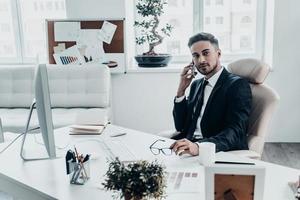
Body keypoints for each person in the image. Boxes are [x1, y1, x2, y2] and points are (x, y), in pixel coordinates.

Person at [170, 32, 252, 156]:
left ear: (218, 54)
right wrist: (181, 90)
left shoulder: (237, 85)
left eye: (206, 53)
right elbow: (180, 126)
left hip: (215, 150)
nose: (201, 60)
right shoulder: (196, 85)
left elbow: (236, 131)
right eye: (196, 56)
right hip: (188, 145)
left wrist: (199, 147)